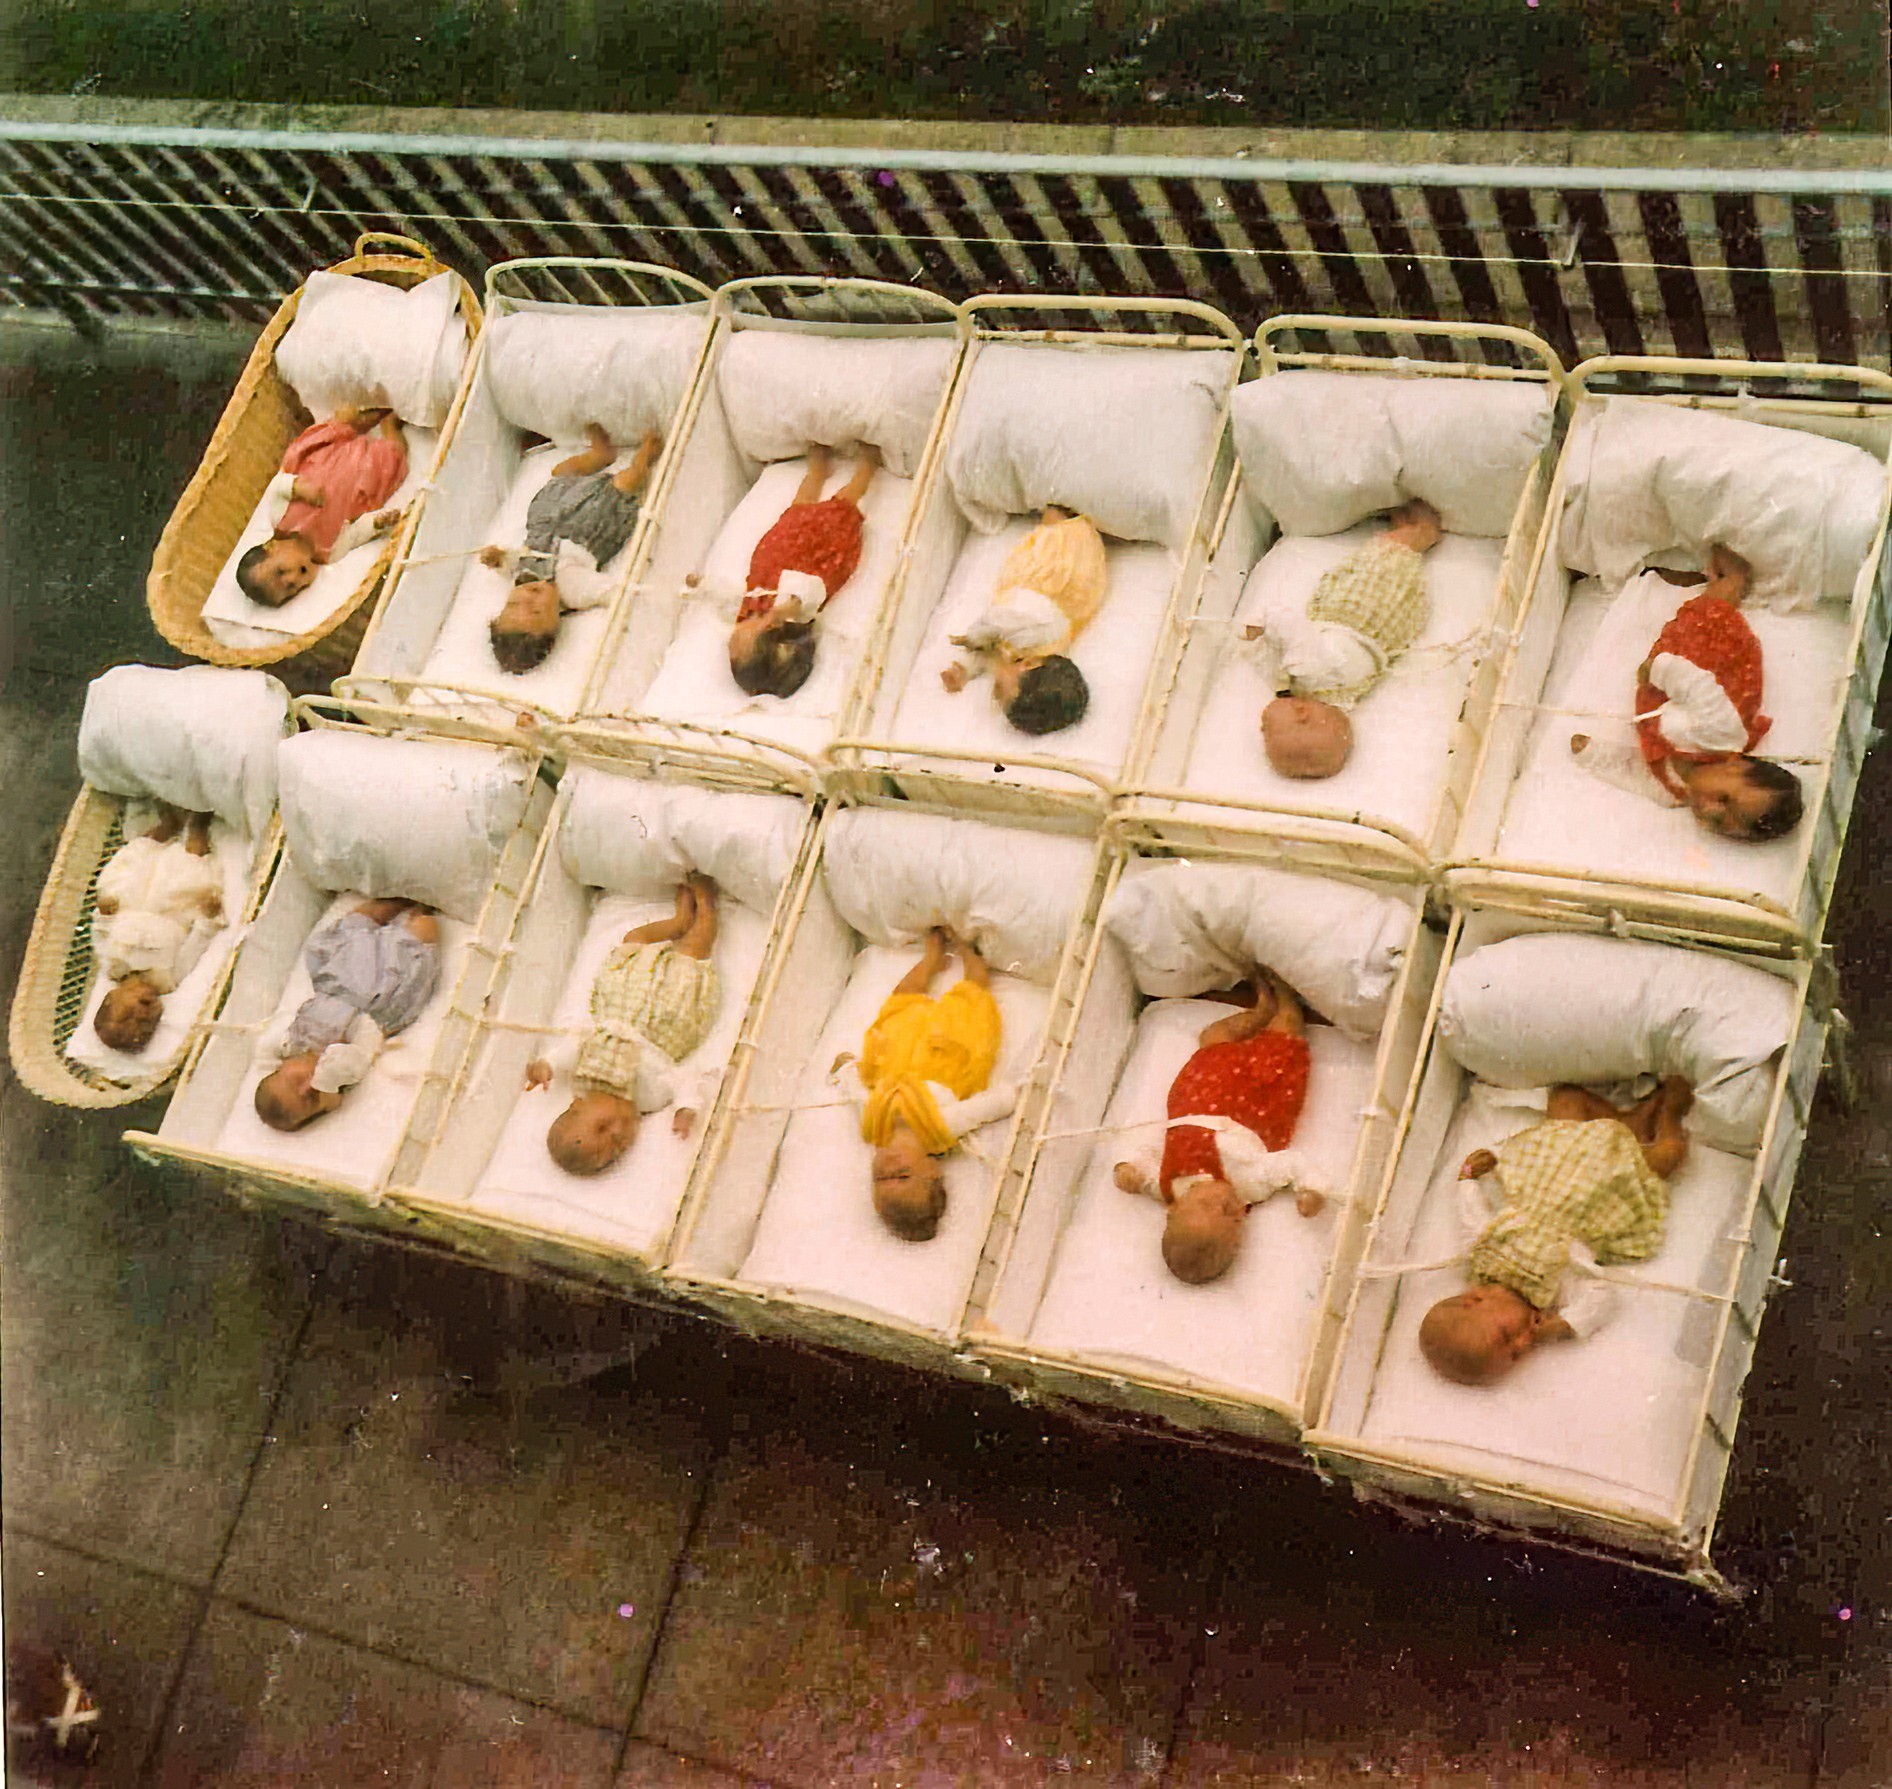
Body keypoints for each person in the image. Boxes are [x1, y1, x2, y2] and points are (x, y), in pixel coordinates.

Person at [1417, 1077, 1694, 1386]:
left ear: (1475, 1299)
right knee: (1670, 1153)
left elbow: (1471, 1216)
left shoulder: (1481, 1256)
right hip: (1607, 1196)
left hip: (1552, 1170)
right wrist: (1567, 1324)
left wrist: (1468, 1179)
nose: (1524, 1341)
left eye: (1506, 1335)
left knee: (1566, 1099)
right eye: (1516, 1354)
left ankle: (1631, 1121)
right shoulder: (1553, 1291)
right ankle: (1668, 1113)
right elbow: (1601, 1295)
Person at [1569, 546, 1803, 841]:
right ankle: (1734, 579)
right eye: (1724, 799)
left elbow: (1632, 772)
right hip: (1712, 671)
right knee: (1708, 617)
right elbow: (1698, 687)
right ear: (1736, 765)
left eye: (1720, 823)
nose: (1710, 810)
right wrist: (1660, 670)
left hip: (1663, 701)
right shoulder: (1719, 734)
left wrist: (1593, 754)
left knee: (1686, 630)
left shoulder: (1670, 791)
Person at [1112, 970, 1324, 1285]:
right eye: (1233, 1218)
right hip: (1259, 1102)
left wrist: (1128, 1171)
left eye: (1208, 1204)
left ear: (1172, 1209)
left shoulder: (1166, 1186)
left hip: (1204, 1090)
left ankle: (1260, 1011)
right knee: (1287, 1033)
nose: (1226, 1204)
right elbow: (1292, 1164)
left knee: (1213, 1037)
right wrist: (1310, 1189)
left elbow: (1148, 1157)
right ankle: (1285, 995)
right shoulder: (1250, 1185)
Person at [522, 873, 722, 1177]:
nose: (618, 1131)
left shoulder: (584, 1077)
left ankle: (679, 921)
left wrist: (546, 1064)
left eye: (602, 1127)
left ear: (576, 1105)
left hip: (621, 1002)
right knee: (695, 950)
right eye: (618, 1146)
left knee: (633, 941)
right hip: (670, 1015)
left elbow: (572, 1047)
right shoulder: (650, 1096)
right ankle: (706, 906)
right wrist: (686, 1108)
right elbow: (682, 1082)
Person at [828, 927, 1019, 1243]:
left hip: (898, 1054)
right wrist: (1015, 1095)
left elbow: (857, 1094)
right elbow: (987, 1107)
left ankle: (932, 959)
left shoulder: (872, 1126)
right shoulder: (939, 1127)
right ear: (933, 1171)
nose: (889, 1166)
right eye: (902, 1175)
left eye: (880, 1178)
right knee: (973, 1000)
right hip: (948, 1055)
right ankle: (970, 957)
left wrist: (846, 1068)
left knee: (900, 1000)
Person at [1243, 498, 1444, 779]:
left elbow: (1278, 664)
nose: (1262, 730)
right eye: (1267, 731)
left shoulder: (1341, 700)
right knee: (1380, 560)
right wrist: (1259, 622)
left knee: (1394, 559)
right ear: (1302, 712)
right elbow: (1288, 625)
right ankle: (1422, 531)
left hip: (1390, 633)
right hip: (1360, 613)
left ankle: (1408, 539)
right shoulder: (1311, 672)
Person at [483, 424, 662, 674]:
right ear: (556, 622)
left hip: (548, 517)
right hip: (593, 524)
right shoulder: (573, 590)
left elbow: (512, 565)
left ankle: (599, 456)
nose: (527, 596)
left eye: (513, 603)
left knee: (561, 473)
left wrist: (497, 559)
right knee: (626, 483)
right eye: (536, 609)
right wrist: (625, 604)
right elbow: (611, 593)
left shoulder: (521, 580)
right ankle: (643, 459)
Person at [252, 897, 441, 1131]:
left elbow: (265, 1046)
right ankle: (422, 912)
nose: (309, 1085)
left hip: (338, 978)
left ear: (281, 1067)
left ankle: (400, 899)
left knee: (350, 930)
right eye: (312, 1098)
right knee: (420, 934)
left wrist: (267, 1064)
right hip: (379, 996)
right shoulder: (345, 1072)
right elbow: (358, 1052)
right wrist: (328, 1088)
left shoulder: (289, 1046)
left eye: (295, 1080)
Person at [726, 444, 879, 699]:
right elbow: (810, 591)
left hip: (782, 550)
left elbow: (723, 599)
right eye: (737, 642)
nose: (730, 638)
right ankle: (866, 469)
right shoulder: (792, 618)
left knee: (799, 504)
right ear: (767, 633)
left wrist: (701, 589)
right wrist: (786, 608)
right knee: (843, 503)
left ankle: (817, 473)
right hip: (816, 555)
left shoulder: (748, 613)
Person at [939, 507, 1106, 736]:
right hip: (1053, 578)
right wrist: (974, 636)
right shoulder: (1034, 634)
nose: (993, 691)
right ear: (1029, 665)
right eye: (999, 689)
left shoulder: (1028, 658)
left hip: (1056, 600)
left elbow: (990, 653)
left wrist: (963, 671)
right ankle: (1059, 507)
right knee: (1053, 534)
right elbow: (993, 626)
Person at [235, 404, 409, 608]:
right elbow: (355, 534)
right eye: (290, 589)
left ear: (272, 546)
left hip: (324, 461)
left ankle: (352, 423)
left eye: (280, 572)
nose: (292, 579)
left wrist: (298, 487)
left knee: (297, 453)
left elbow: (277, 485)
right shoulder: (330, 553)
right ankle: (390, 426)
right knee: (392, 465)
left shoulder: (280, 517)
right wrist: (377, 523)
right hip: (360, 482)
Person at [89, 805, 226, 1054]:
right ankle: (198, 829)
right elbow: (196, 944)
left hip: (131, 900)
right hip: (174, 905)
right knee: (193, 872)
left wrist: (104, 914)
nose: (142, 1015)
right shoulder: (169, 978)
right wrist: (208, 917)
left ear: (109, 998)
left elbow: (100, 934)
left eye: (128, 1015)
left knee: (129, 867)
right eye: (146, 1025)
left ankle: (165, 829)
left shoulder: (112, 965)